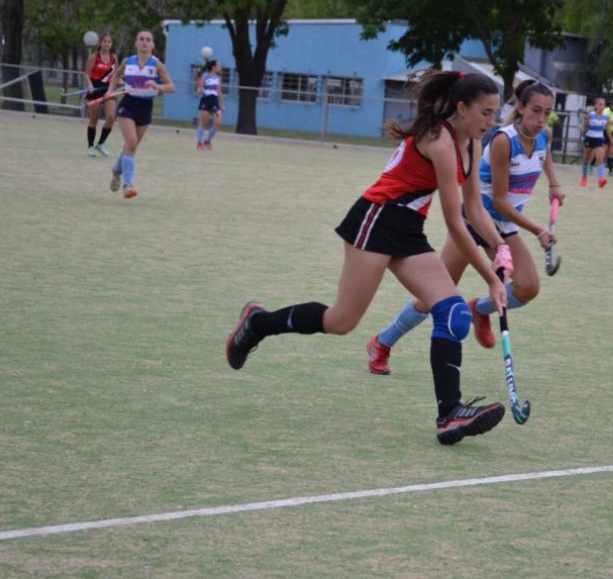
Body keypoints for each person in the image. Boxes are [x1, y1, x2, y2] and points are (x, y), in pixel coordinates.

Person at [225, 71, 512, 446]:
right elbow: (457, 223)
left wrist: (500, 245)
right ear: (462, 108)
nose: (492, 122)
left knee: (453, 311)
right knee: (341, 321)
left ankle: (450, 415)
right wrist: (491, 276)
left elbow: (475, 208)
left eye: (495, 114)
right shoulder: (439, 140)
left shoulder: (473, 145)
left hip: (408, 229)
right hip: (376, 219)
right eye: (486, 113)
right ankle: (258, 323)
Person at [367, 80, 565, 375]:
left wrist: (554, 183)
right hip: (476, 222)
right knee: (432, 298)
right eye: (535, 111)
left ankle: (479, 309)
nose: (540, 119)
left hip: (505, 226)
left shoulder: (543, 136)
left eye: (547, 113)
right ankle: (382, 342)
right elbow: (498, 202)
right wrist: (538, 230)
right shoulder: (502, 142)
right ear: (521, 108)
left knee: (528, 287)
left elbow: (543, 153)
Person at [107, 30, 175, 199]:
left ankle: (117, 170)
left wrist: (157, 86)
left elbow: (171, 87)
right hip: (128, 104)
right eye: (141, 39)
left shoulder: (157, 65)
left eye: (148, 40)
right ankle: (128, 186)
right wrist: (110, 91)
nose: (144, 42)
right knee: (131, 143)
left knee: (131, 147)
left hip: (145, 107)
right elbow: (116, 75)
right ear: (136, 43)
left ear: (152, 45)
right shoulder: (127, 61)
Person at [82, 34, 118, 157]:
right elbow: (86, 74)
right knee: (94, 119)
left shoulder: (114, 58)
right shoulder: (94, 57)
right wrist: (90, 86)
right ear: (101, 43)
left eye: (109, 42)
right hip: (95, 88)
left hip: (109, 89)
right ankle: (90, 146)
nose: (107, 44)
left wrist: (125, 83)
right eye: (104, 41)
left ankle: (101, 144)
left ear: (111, 44)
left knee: (111, 117)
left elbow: (116, 75)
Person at [580, 96, 610, 187]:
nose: (602, 106)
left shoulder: (606, 117)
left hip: (599, 139)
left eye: (603, 105)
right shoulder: (591, 115)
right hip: (589, 138)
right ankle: (584, 178)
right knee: (586, 159)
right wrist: (582, 129)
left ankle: (601, 179)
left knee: (600, 159)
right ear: (596, 105)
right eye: (600, 104)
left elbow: (607, 130)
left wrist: (611, 140)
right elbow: (584, 126)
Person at [195, 59, 223, 150]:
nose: (220, 67)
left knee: (218, 122)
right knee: (204, 123)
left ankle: (207, 140)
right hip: (206, 99)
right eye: (218, 65)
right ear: (214, 67)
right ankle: (199, 143)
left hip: (214, 100)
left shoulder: (218, 78)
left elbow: (218, 92)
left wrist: (222, 104)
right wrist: (201, 91)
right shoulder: (205, 76)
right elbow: (198, 90)